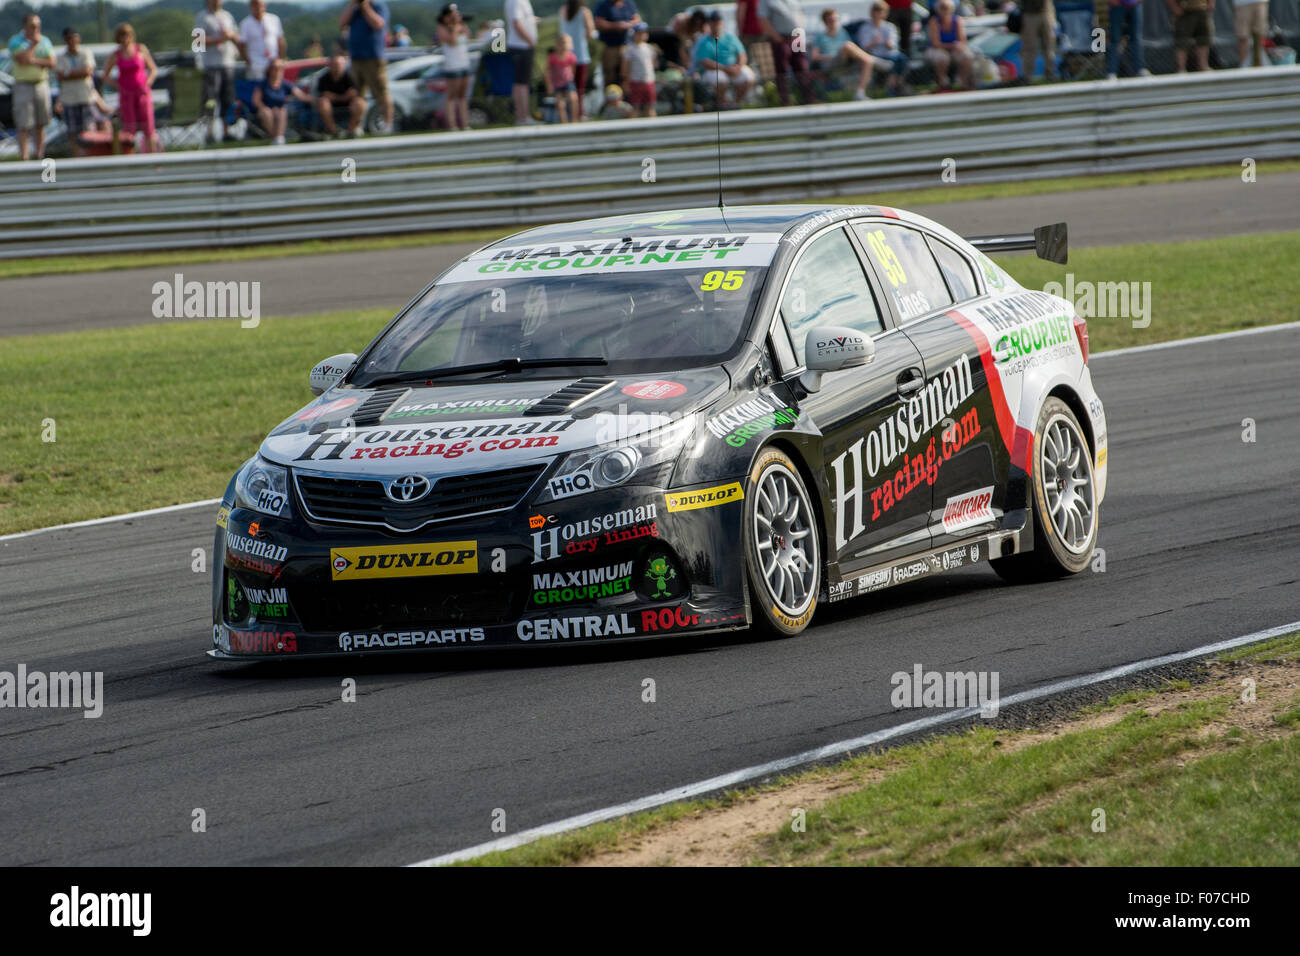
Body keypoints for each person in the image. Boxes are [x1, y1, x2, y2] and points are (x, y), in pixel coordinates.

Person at [104, 23, 162, 153]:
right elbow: (105, 76)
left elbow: (153, 69)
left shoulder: (140, 49)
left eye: (127, 35)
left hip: (142, 93)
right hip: (126, 95)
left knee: (148, 127)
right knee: (129, 129)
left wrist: (147, 82)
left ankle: (152, 157)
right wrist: (118, 86)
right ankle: (130, 157)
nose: (125, 39)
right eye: (122, 36)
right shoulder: (115, 54)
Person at [7, 13, 55, 161]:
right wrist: (33, 45)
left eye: (38, 26)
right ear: (25, 26)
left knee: (40, 123)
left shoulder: (45, 41)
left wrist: (33, 60)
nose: (36, 29)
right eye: (33, 26)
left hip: (40, 84)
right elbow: (22, 60)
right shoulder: (16, 41)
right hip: (23, 85)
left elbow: (51, 63)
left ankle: (39, 155)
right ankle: (24, 158)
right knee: (24, 124)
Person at [341, 0, 393, 131]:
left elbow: (378, 24)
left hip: (373, 57)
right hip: (356, 58)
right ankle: (357, 126)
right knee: (356, 95)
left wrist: (365, 7)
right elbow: (342, 23)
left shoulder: (379, 6)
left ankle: (387, 124)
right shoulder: (354, 8)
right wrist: (353, 5)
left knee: (381, 93)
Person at [693, 11, 757, 106]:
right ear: (709, 24)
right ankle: (723, 103)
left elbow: (742, 54)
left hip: (734, 68)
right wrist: (724, 68)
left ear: (722, 22)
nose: (716, 24)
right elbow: (704, 61)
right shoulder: (704, 41)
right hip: (714, 70)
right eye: (713, 22)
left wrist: (738, 67)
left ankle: (736, 103)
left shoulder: (731, 37)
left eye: (718, 21)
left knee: (748, 76)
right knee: (721, 80)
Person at [195, 0, 239, 138]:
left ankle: (227, 131)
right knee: (210, 100)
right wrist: (220, 39)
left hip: (227, 63)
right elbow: (197, 42)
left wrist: (231, 36)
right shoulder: (201, 17)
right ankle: (210, 132)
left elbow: (237, 37)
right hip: (211, 65)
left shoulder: (228, 16)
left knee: (227, 99)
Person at [811, 8, 875, 100]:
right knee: (847, 45)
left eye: (836, 19)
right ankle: (875, 60)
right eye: (831, 20)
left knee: (866, 61)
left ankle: (860, 93)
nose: (834, 22)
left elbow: (852, 51)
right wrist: (831, 57)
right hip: (830, 65)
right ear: (825, 22)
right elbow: (814, 56)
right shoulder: (820, 36)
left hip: (845, 61)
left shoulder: (843, 33)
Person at [759, 0, 814, 105]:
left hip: (796, 37)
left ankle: (809, 98)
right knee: (782, 70)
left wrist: (800, 31)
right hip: (780, 38)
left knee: (802, 67)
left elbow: (800, 14)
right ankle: (785, 101)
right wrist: (776, 37)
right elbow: (763, 19)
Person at [253, 57, 312, 144]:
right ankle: (274, 138)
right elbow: (256, 100)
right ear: (270, 69)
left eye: (280, 68)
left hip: (281, 111)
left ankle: (279, 139)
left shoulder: (285, 84)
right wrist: (264, 108)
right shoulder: (263, 84)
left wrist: (315, 100)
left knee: (281, 111)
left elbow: (300, 96)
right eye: (275, 68)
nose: (277, 71)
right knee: (267, 113)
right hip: (266, 111)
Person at [56, 28, 96, 156]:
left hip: (85, 97)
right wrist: (77, 73)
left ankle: (90, 157)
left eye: (74, 37)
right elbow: (60, 76)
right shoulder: (60, 56)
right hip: (69, 99)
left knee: (88, 130)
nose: (72, 41)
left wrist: (68, 73)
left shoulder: (86, 53)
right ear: (65, 40)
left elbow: (87, 71)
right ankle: (77, 157)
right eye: (69, 38)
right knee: (73, 132)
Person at [859, 0, 909, 95]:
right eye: (876, 10)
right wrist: (874, 42)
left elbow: (892, 45)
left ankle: (897, 85)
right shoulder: (865, 28)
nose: (878, 13)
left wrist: (887, 43)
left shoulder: (890, 27)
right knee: (895, 61)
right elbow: (864, 47)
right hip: (875, 55)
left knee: (901, 59)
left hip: (890, 54)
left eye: (881, 11)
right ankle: (893, 89)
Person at [437, 3, 473, 129]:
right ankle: (452, 125)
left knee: (463, 96)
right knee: (452, 96)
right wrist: (455, 28)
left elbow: (468, 35)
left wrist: (461, 24)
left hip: (464, 64)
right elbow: (452, 41)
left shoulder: (460, 26)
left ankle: (465, 124)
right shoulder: (442, 28)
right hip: (453, 66)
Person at [559, 0, 596, 119]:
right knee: (579, 87)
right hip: (580, 54)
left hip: (565, 54)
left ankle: (566, 114)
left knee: (565, 87)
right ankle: (579, 113)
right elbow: (590, 33)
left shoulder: (563, 10)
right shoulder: (585, 12)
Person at [926, 0, 974, 90]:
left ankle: (965, 84)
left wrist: (956, 46)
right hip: (938, 49)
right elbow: (935, 43)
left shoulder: (957, 20)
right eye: (942, 8)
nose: (944, 11)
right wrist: (952, 46)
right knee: (942, 58)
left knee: (967, 56)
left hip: (953, 49)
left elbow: (962, 41)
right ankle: (943, 85)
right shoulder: (934, 21)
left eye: (946, 8)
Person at [505, 0, 539, 124]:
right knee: (522, 82)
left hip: (522, 45)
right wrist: (530, 40)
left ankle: (523, 116)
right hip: (521, 46)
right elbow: (517, 23)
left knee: (522, 81)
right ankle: (523, 116)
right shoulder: (516, 1)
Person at [315, 52, 365, 136]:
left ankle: (350, 130)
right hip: (331, 105)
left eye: (340, 64)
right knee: (323, 103)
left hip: (348, 104)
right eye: (335, 64)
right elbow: (324, 95)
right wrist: (343, 96)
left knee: (360, 103)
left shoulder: (350, 77)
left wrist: (336, 96)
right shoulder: (323, 79)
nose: (337, 67)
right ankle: (334, 131)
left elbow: (354, 93)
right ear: (330, 65)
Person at [594, 0, 641, 87]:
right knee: (610, 76)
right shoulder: (603, 5)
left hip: (626, 46)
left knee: (626, 75)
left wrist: (628, 24)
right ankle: (611, 98)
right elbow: (598, 23)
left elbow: (637, 18)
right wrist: (616, 26)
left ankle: (625, 98)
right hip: (609, 47)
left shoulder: (628, 3)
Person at [239, 0, 286, 82]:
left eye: (260, 5)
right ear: (251, 6)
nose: (258, 8)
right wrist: (248, 61)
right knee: (257, 90)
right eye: (255, 5)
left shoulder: (274, 19)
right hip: (256, 64)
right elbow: (241, 45)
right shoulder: (245, 23)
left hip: (273, 63)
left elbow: (280, 40)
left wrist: (280, 59)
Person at [1106, 0, 1148, 78]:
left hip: (1135, 4)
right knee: (1115, 39)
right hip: (1117, 6)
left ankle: (1140, 69)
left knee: (1136, 38)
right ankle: (1112, 72)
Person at [622, 22, 657, 116]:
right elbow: (625, 67)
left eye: (643, 33)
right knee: (635, 106)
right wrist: (626, 80)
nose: (641, 35)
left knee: (650, 105)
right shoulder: (630, 49)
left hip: (649, 81)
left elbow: (653, 64)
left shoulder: (650, 48)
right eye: (639, 33)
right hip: (636, 81)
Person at [1169, 0, 1213, 71]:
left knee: (1203, 39)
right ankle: (1181, 69)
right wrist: (1175, 7)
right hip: (1184, 10)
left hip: (1202, 9)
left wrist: (1211, 3)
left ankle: (1203, 66)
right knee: (1182, 41)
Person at [1019, 0, 1057, 81]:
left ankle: (1050, 74)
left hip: (1046, 11)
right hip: (1029, 13)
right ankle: (1027, 77)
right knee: (1029, 48)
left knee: (1049, 47)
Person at [546, 34, 579, 122]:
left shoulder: (571, 57)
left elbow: (573, 69)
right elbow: (547, 72)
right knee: (560, 104)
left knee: (573, 98)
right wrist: (549, 85)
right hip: (557, 83)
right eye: (561, 43)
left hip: (568, 82)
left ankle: (574, 120)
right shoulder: (552, 57)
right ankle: (563, 122)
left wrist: (571, 78)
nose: (564, 45)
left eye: (565, 43)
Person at [1233, 0, 1268, 67]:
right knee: (1243, 37)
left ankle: (1259, 66)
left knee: (1260, 36)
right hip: (1242, 3)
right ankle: (1243, 68)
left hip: (1260, 2)